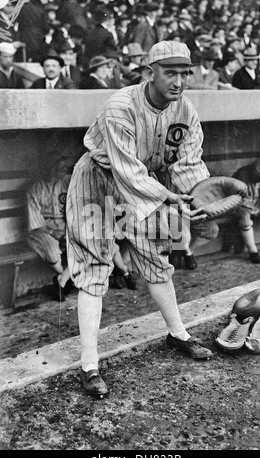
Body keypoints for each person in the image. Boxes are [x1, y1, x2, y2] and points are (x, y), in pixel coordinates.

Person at [66, 40, 213, 397]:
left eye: (185, 73)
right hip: (99, 181)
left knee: (157, 257)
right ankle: (89, 365)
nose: (179, 81)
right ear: (150, 73)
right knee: (94, 268)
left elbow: (188, 163)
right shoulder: (120, 105)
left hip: (149, 182)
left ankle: (178, 334)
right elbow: (126, 170)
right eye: (170, 72)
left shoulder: (186, 110)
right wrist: (168, 197)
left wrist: (201, 199)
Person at [26, 151, 72, 301]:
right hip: (41, 230)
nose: (66, 170)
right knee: (52, 253)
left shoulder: (66, 183)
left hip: (62, 227)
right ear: (52, 168)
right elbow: (34, 222)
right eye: (63, 167)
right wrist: (52, 231)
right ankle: (66, 278)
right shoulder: (35, 189)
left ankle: (63, 280)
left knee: (86, 245)